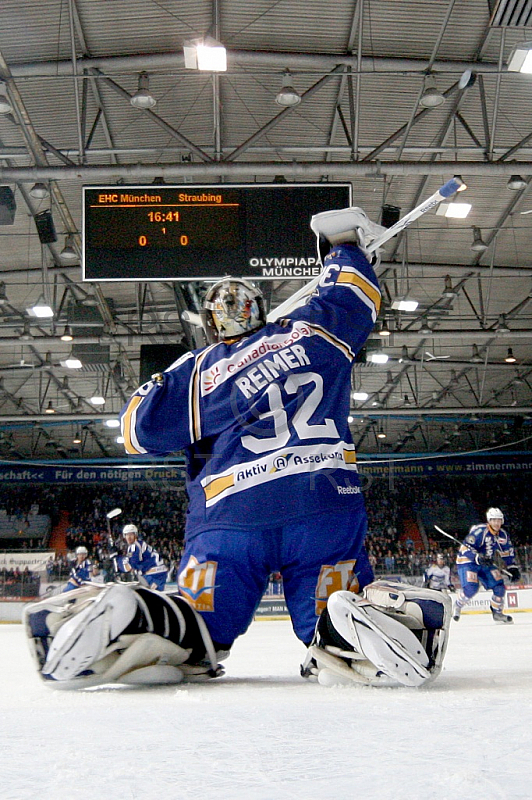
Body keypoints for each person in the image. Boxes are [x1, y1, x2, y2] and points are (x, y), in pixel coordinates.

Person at [24, 206, 452, 689]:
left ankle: (141, 621)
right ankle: (359, 629)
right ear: (261, 310)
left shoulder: (195, 370)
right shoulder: (312, 331)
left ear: (210, 324)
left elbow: (135, 432)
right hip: (322, 504)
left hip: (228, 518)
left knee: (201, 629)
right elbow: (355, 295)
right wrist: (342, 248)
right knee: (330, 614)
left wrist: (179, 380)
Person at [453, 507, 520, 624]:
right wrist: (477, 557)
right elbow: (465, 548)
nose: (497, 523)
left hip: (486, 562)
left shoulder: (502, 535)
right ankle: (457, 605)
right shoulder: (479, 531)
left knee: (499, 587)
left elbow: (507, 552)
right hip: (468, 562)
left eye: (499, 520)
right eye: (494, 520)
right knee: (471, 588)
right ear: (489, 520)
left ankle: (497, 613)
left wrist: (512, 567)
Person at [112, 524, 168, 591]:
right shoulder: (139, 544)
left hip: (153, 574)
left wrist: (117, 558)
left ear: (135, 535)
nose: (129, 537)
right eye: (127, 535)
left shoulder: (134, 546)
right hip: (158, 572)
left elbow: (129, 566)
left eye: (131, 534)